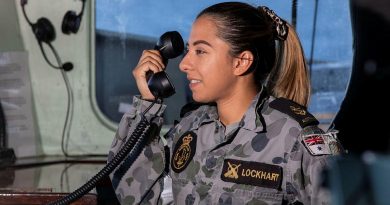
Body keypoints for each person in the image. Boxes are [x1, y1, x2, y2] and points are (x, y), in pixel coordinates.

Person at [108, 2, 344, 204]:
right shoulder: (190, 128)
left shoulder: (298, 138)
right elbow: (136, 197)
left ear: (241, 62)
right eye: (189, 50)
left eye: (200, 51)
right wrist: (147, 105)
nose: (183, 64)